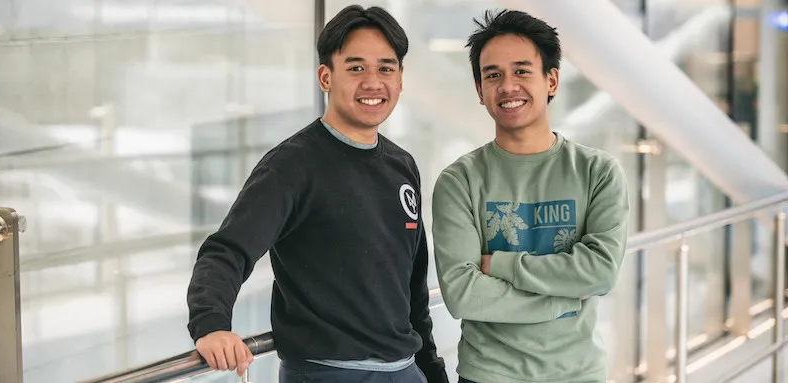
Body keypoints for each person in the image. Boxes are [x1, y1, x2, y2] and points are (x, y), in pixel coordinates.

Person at [186, 5, 448, 383]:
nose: (373, 82)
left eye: (385, 68)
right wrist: (211, 325)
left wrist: (431, 370)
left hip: (405, 370)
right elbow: (226, 251)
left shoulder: (401, 165)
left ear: (401, 78)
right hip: (327, 374)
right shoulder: (292, 166)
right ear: (326, 76)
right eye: (356, 68)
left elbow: (412, 288)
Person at [431, 9, 630, 383]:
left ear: (551, 80)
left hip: (578, 374)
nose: (508, 86)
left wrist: (502, 266)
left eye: (522, 71)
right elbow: (463, 294)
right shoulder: (459, 181)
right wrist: (561, 301)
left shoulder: (598, 172)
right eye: (493, 75)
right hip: (488, 375)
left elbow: (600, 271)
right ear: (480, 91)